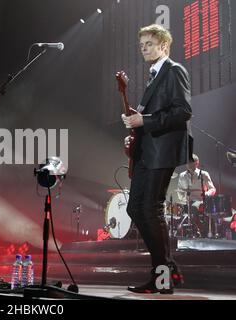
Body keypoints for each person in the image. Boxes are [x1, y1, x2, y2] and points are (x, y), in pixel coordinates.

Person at [121, 24, 193, 294]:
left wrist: (145, 120)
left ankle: (162, 277)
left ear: (164, 45)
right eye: (141, 46)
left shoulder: (174, 71)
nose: (144, 49)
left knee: (150, 209)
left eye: (149, 44)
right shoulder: (154, 76)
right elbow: (150, 116)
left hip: (162, 152)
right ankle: (167, 269)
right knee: (135, 209)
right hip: (146, 152)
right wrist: (136, 127)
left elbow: (183, 111)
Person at [177, 154, 216, 237]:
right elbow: (179, 191)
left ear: (197, 163)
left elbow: (213, 189)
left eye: (191, 162)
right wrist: (184, 199)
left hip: (203, 201)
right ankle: (197, 230)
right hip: (189, 202)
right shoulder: (182, 176)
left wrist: (206, 194)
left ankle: (205, 231)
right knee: (191, 208)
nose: (188, 164)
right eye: (187, 162)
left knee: (200, 208)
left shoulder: (204, 174)